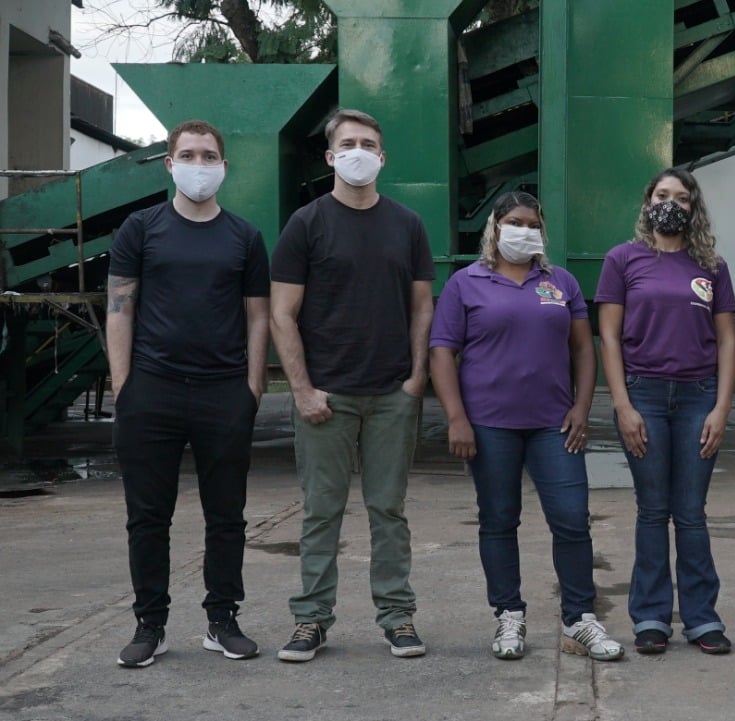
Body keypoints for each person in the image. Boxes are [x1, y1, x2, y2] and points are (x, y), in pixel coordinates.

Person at [428, 191, 623, 662]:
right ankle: (508, 615)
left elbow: (582, 349)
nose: (523, 230)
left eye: (532, 224)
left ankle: (580, 619)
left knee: (572, 519)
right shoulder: (465, 283)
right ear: (494, 227)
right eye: (514, 221)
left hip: (554, 425)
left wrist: (582, 407)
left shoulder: (561, 283)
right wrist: (456, 417)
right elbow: (441, 351)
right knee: (498, 520)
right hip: (489, 424)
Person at [271, 109, 434, 662]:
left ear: (382, 157)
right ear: (330, 156)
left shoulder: (407, 225)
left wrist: (415, 379)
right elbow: (281, 315)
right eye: (348, 143)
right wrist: (302, 390)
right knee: (321, 513)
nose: (358, 151)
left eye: (368, 143)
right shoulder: (306, 224)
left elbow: (421, 306)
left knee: (389, 511)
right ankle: (311, 620)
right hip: (326, 397)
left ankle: (397, 617)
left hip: (391, 395)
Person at [107, 119, 269, 667]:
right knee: (148, 516)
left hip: (223, 391)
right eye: (189, 155)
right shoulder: (140, 228)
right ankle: (149, 625)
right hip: (151, 391)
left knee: (227, 515)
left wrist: (251, 385)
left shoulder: (245, 236)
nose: (200, 165)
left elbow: (258, 316)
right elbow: (119, 309)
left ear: (224, 165)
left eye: (209, 156)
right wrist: (124, 385)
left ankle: (222, 620)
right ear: (170, 164)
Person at [597, 168, 735, 656]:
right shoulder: (623, 259)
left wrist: (722, 407)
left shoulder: (711, 266)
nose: (671, 204)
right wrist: (622, 405)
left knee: (692, 513)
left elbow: (726, 339)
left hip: (699, 395)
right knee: (652, 511)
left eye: (681, 197)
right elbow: (609, 336)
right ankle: (651, 616)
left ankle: (702, 618)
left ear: (693, 207)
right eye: (662, 195)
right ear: (647, 201)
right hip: (644, 395)